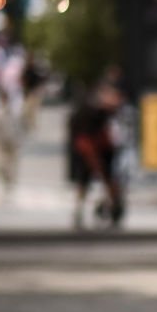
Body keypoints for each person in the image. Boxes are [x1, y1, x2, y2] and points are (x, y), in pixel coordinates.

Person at [68, 83, 125, 229]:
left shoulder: (106, 113)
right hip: (89, 150)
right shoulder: (89, 113)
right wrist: (93, 159)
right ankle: (79, 211)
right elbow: (83, 140)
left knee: (107, 180)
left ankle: (110, 207)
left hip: (102, 150)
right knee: (85, 182)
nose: (116, 100)